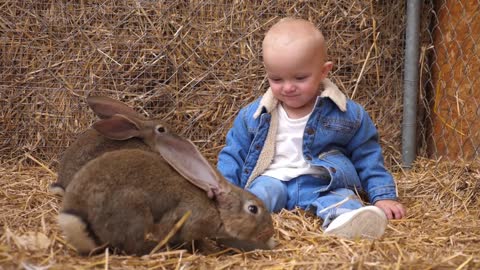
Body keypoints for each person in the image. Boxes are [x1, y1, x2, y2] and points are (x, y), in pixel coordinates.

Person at [217, 17, 406, 240]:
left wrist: (382, 195)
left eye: (300, 78)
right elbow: (233, 155)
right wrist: (224, 196)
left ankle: (347, 224)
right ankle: (238, 231)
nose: (288, 88)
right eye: (276, 79)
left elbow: (367, 156)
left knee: (343, 199)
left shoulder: (347, 114)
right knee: (256, 199)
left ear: (324, 71)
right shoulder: (254, 115)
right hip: (272, 180)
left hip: (321, 183)